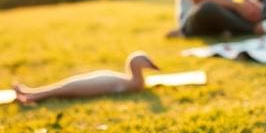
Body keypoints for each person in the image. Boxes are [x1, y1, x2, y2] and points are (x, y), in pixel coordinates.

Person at [12, 52, 159, 104]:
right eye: (147, 61)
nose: (149, 64)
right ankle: (30, 95)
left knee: (62, 89)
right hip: (96, 83)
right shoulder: (132, 84)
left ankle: (30, 94)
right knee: (62, 89)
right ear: (135, 64)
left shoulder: (133, 84)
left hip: (98, 83)